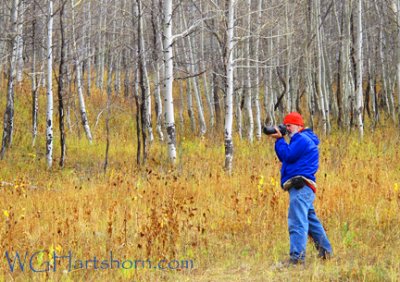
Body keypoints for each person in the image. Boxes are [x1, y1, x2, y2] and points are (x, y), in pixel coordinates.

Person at [269, 112, 332, 266]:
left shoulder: (301, 139)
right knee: (310, 220)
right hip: (305, 187)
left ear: (299, 125)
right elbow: (289, 156)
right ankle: (326, 252)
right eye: (286, 126)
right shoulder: (304, 139)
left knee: (297, 221)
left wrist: (279, 140)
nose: (287, 129)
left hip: (301, 186)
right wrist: (281, 140)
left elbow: (287, 156)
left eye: (289, 125)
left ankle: (297, 259)